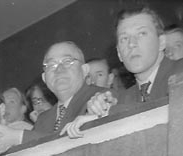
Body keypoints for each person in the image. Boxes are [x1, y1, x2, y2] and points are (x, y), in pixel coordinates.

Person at [66, 8, 183, 137]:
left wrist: (109, 113)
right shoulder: (123, 99)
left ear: (161, 42)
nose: (131, 44)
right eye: (124, 38)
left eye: (142, 33)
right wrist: (96, 116)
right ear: (119, 54)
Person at [0, 41, 104, 155]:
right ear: (45, 78)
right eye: (51, 65)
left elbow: (71, 147)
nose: (59, 69)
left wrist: (17, 137)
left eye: (67, 61)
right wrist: (2, 144)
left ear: (84, 70)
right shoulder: (43, 119)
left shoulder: (103, 98)